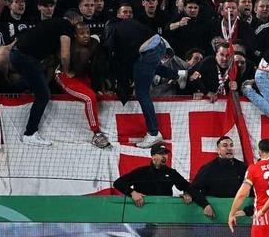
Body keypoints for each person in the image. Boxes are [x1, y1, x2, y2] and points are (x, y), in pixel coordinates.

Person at [105, 18, 184, 148]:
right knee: (148, 68)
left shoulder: (113, 31)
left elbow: (119, 59)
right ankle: (178, 75)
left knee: (142, 94)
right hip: (160, 44)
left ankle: (154, 133)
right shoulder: (129, 23)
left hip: (149, 52)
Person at [9, 10, 82, 146]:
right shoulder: (66, 25)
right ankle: (29, 134)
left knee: (34, 82)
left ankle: (3, 89)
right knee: (43, 95)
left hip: (17, 54)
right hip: (25, 57)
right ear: (74, 20)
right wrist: (66, 73)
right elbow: (65, 55)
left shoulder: (52, 23)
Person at [54, 22, 110, 148]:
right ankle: (96, 134)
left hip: (82, 76)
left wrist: (99, 87)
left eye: (88, 33)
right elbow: (62, 61)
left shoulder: (94, 44)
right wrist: (66, 72)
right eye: (82, 33)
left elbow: (97, 68)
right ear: (75, 35)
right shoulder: (69, 46)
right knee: (89, 98)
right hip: (66, 76)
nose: (85, 36)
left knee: (97, 95)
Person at [113, 144, 191, 207]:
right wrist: (132, 193)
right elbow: (118, 183)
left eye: (166, 154)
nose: (165, 156)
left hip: (164, 210)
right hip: (143, 209)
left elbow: (186, 186)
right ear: (153, 156)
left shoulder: (171, 172)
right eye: (161, 153)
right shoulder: (141, 171)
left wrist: (187, 193)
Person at [190, 136, 247, 217]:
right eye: (225, 145)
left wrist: (250, 208)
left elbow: (253, 189)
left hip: (237, 213)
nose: (229, 148)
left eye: (231, 145)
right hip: (214, 214)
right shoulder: (208, 168)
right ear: (218, 150)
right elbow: (192, 189)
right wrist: (205, 205)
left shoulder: (243, 167)